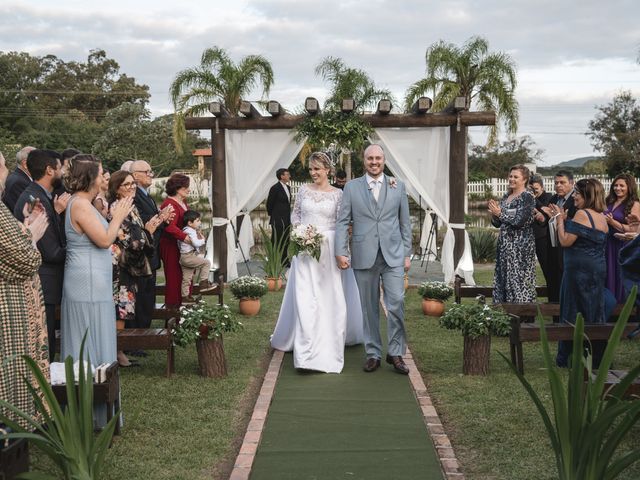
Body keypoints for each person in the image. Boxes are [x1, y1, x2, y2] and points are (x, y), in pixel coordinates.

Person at [271, 152, 363, 373]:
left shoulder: (338, 195)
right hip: (305, 249)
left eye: (317, 169)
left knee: (329, 296)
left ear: (327, 171)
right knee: (306, 296)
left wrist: (343, 250)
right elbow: (296, 216)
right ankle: (306, 353)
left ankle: (330, 341)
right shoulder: (302, 190)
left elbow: (342, 223)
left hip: (330, 248)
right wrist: (301, 233)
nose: (313, 173)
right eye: (311, 169)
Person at [60, 154, 132, 428]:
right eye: (102, 173)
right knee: (88, 343)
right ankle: (90, 416)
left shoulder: (86, 204)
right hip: (86, 285)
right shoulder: (79, 205)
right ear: (90, 176)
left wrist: (112, 216)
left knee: (100, 341)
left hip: (95, 283)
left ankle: (103, 412)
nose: (105, 177)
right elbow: (103, 240)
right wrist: (118, 217)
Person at [335, 144, 412, 374]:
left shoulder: (398, 187)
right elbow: (342, 222)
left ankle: (396, 352)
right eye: (370, 158)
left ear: (384, 160)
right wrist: (341, 250)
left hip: (393, 255)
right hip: (363, 254)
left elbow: (405, 223)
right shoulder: (351, 187)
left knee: (396, 302)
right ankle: (373, 353)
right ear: (364, 160)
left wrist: (407, 253)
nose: (374, 162)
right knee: (369, 308)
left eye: (378, 158)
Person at [0, 149, 50, 430]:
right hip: (9, 308)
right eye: (4, 167)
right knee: (13, 370)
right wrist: (31, 235)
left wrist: (24, 230)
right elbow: (23, 257)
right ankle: (14, 430)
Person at [14, 149, 70, 361]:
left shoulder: (42, 196)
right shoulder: (34, 200)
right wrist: (79, 250)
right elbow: (51, 251)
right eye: (60, 168)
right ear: (49, 170)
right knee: (44, 343)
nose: (63, 173)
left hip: (48, 280)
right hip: (44, 280)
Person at [550, 178, 612, 368]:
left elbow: (566, 241)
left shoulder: (582, 214)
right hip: (597, 268)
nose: (574, 196)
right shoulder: (601, 216)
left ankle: (568, 357)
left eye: (577, 192)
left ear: (587, 195)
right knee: (594, 310)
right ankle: (596, 355)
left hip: (579, 270)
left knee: (572, 308)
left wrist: (560, 220)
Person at [107, 171, 163, 366]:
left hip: (132, 263)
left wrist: (148, 231)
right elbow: (127, 240)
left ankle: (119, 350)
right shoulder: (117, 208)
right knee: (121, 308)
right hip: (122, 265)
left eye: (132, 184)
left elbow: (140, 234)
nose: (131, 188)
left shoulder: (132, 207)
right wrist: (147, 235)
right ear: (116, 189)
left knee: (125, 308)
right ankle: (117, 352)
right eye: (126, 185)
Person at [131, 160, 173, 329]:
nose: (151, 175)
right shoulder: (135, 197)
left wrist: (162, 218)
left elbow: (153, 222)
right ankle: (136, 337)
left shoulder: (146, 195)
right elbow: (142, 223)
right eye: (147, 172)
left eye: (150, 171)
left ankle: (143, 332)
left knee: (148, 297)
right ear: (136, 175)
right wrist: (161, 218)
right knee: (141, 298)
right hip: (141, 254)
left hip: (151, 253)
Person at [488, 165, 537, 304]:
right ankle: (503, 312)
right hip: (504, 247)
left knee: (518, 280)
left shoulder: (527, 197)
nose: (512, 179)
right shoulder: (506, 196)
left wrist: (500, 214)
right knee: (503, 277)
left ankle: (523, 315)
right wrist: (495, 215)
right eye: (510, 176)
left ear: (524, 179)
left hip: (520, 248)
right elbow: (498, 224)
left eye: (516, 177)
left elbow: (519, 221)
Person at [603, 173, 640, 303]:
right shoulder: (609, 201)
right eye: (616, 185)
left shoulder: (634, 204)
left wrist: (613, 223)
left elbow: (634, 229)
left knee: (618, 276)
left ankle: (621, 308)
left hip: (622, 245)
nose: (618, 188)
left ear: (629, 187)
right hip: (607, 243)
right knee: (607, 274)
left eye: (621, 186)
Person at [159, 173, 192, 307]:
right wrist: (186, 237)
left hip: (182, 246)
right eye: (186, 187)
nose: (189, 189)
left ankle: (185, 309)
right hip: (171, 246)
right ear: (177, 188)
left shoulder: (183, 202)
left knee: (185, 277)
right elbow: (169, 227)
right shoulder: (169, 204)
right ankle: (173, 315)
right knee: (174, 279)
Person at [179, 209, 215, 304]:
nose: (200, 222)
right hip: (188, 256)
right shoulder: (190, 231)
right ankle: (203, 283)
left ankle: (185, 297)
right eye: (198, 220)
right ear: (190, 223)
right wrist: (203, 240)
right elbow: (195, 243)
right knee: (206, 263)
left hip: (183, 257)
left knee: (187, 279)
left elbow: (180, 243)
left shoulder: (184, 230)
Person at [266, 168, 291, 267]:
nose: (289, 176)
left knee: (286, 240)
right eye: (287, 174)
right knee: (276, 240)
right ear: (282, 176)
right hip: (277, 219)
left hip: (286, 219)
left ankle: (284, 261)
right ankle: (274, 261)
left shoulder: (288, 188)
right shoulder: (275, 188)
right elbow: (269, 204)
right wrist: (274, 215)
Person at [2, 146, 35, 213]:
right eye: (40, 161)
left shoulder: (20, 178)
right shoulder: (19, 183)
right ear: (25, 164)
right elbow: (26, 213)